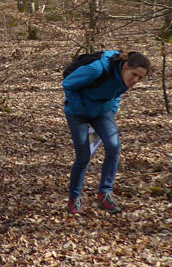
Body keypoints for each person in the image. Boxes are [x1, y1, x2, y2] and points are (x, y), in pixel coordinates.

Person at [62, 50, 151, 215]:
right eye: (134, 74)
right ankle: (74, 198)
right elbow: (67, 84)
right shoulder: (97, 69)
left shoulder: (126, 79)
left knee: (114, 146)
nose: (135, 80)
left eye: (140, 78)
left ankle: (105, 194)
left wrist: (112, 110)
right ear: (125, 66)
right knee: (83, 156)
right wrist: (79, 108)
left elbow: (116, 94)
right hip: (77, 112)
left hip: (102, 112)